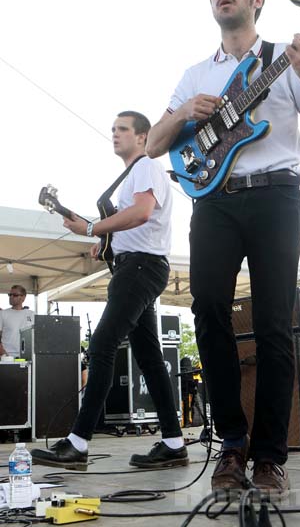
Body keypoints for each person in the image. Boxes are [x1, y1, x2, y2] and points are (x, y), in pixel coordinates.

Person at [146, 0, 300, 497]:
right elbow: (156, 144)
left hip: (277, 196)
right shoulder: (196, 74)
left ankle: (270, 457)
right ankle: (232, 443)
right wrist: (185, 111)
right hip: (216, 201)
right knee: (207, 310)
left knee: (276, 324)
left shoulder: (285, 59)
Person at [31, 110, 188, 471]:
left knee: (102, 345)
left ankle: (78, 443)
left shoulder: (146, 165)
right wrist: (102, 241)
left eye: (122, 129)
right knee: (149, 358)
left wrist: (94, 229)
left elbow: (142, 213)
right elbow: (128, 224)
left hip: (140, 269)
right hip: (138, 265)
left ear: (142, 137)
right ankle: (174, 442)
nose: (114, 134)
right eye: (113, 129)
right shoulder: (133, 174)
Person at [0, 285, 34, 358]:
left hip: (27, 357)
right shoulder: (3, 313)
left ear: (23, 297)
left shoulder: (32, 314)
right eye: (10, 294)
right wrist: (3, 354)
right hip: (7, 357)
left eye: (15, 295)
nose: (11, 297)